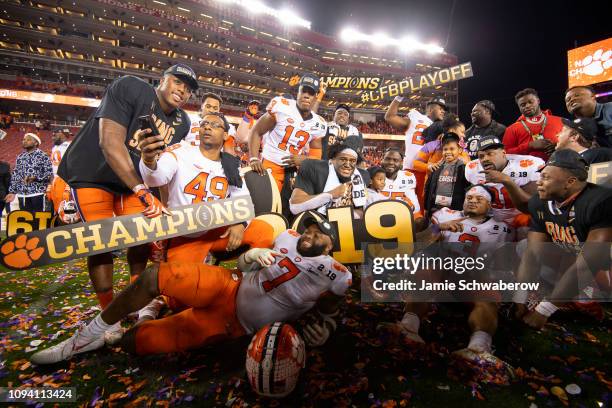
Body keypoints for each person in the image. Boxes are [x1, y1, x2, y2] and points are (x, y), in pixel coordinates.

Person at [30, 212, 351, 362]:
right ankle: (85, 337)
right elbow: (243, 265)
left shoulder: (337, 275)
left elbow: (326, 314)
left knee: (136, 343)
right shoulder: (288, 237)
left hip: (233, 323)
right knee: (157, 276)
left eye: (317, 233)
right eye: (308, 229)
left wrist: (326, 327)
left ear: (331, 241)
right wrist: (251, 256)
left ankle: (125, 331)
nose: (308, 235)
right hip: (228, 285)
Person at [57, 64, 197, 317]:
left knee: (141, 238)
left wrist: (162, 201)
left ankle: (134, 299)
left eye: (188, 90)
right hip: (92, 172)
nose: (182, 91)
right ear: (163, 80)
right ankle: (108, 312)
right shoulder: (131, 87)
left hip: (133, 180)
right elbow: (109, 143)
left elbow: (164, 167)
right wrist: (142, 191)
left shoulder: (181, 122)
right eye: (178, 82)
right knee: (100, 242)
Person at [379, 186, 514, 378]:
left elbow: (502, 266)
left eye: (479, 198)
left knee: (487, 289)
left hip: (472, 280)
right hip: (440, 275)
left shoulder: (502, 228)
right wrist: (437, 228)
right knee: (430, 264)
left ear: (489, 205)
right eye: (469, 197)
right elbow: (415, 243)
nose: (473, 201)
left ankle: (478, 348)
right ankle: (408, 327)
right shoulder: (444, 215)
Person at [139, 112, 274, 263]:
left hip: (214, 230)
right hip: (184, 233)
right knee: (180, 279)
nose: (208, 127)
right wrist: (149, 160)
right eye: (204, 124)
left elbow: (243, 198)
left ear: (225, 135)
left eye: (215, 125)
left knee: (265, 231)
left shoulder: (230, 163)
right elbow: (156, 178)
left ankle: (248, 275)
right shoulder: (180, 151)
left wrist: (240, 223)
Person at [514, 149, 612, 329]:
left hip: (603, 264)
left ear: (570, 182)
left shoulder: (600, 201)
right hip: (574, 254)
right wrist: (520, 296)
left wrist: (544, 310)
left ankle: (587, 297)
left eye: (546, 178)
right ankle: (571, 295)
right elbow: (533, 254)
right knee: (524, 247)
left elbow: (591, 261)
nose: (539, 183)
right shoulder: (540, 202)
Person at [248, 73, 327, 193]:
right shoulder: (282, 107)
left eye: (310, 93)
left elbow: (316, 156)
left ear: (316, 97)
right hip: (270, 165)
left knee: (287, 209)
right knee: (266, 206)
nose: (306, 96)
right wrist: (254, 158)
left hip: (292, 171)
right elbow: (256, 131)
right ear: (298, 92)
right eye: (303, 91)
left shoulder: (319, 123)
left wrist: (305, 160)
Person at [464, 136, 543, 232]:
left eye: (490, 154)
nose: (485, 159)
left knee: (524, 230)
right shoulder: (473, 168)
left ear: (503, 153)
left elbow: (534, 206)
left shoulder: (528, 165)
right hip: (491, 220)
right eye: (481, 156)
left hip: (521, 217)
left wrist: (506, 180)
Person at [289, 140, 370, 217]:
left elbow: (360, 211)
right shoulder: (314, 168)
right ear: (332, 160)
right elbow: (295, 207)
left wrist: (341, 217)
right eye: (343, 159)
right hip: (314, 225)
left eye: (352, 161)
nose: (347, 165)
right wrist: (330, 195)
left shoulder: (362, 176)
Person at [384, 96, 439, 204]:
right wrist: (399, 98)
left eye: (444, 109)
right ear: (430, 109)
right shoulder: (416, 118)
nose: (443, 111)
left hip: (433, 170)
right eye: (440, 108)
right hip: (412, 169)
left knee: (427, 206)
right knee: (406, 204)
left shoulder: (443, 126)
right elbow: (390, 117)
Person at [503, 88, 563, 161]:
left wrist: (559, 146)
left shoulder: (560, 121)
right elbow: (505, 154)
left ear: (538, 101)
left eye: (530, 102)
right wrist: (530, 146)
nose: (527, 106)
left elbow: (574, 143)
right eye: (523, 104)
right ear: (519, 107)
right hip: (528, 171)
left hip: (560, 167)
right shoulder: (511, 129)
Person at [423, 132, 470, 215]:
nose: (448, 152)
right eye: (445, 149)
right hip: (435, 209)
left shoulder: (464, 168)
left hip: (455, 210)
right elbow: (428, 187)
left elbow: (468, 189)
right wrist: (426, 207)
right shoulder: (436, 167)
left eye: (452, 149)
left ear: (459, 150)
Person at [4, 133, 52, 212]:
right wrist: (12, 192)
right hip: (22, 194)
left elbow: (48, 174)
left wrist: (35, 178)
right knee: (25, 221)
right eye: (24, 140)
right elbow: (16, 175)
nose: (25, 141)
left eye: (28, 140)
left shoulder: (43, 156)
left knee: (38, 220)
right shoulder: (20, 157)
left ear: (36, 143)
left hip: (37, 193)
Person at [379, 149, 424, 227]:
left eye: (395, 160)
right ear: (382, 160)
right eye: (387, 159)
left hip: (401, 217)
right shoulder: (371, 175)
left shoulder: (408, 177)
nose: (391, 162)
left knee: (420, 222)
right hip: (377, 216)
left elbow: (414, 206)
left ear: (401, 163)